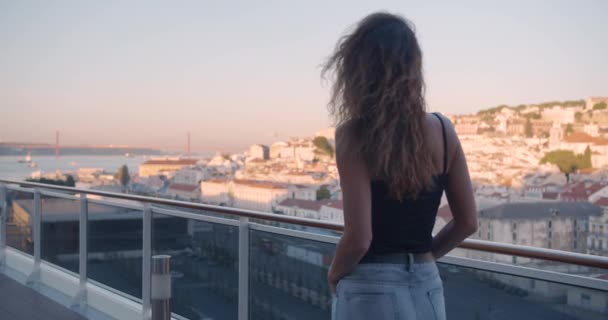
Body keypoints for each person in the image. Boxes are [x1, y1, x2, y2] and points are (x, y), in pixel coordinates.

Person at [323, 12, 478, 320]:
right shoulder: (444, 130)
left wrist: (334, 274)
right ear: (414, 68)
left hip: (371, 285)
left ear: (358, 70)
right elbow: (468, 222)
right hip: (427, 286)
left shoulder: (353, 134)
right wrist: (423, 258)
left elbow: (359, 237)